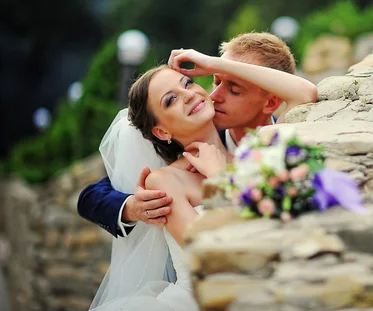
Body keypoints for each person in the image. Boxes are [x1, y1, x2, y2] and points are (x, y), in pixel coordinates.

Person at [90, 46, 317, 310]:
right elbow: (216, 258)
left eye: (188, 83)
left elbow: (306, 94)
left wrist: (213, 64)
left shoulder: (256, 151)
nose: (188, 94)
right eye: (170, 100)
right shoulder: (164, 181)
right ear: (162, 132)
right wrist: (221, 177)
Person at [78, 33, 310, 237]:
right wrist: (132, 207)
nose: (215, 95)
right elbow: (90, 196)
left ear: (270, 102)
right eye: (215, 79)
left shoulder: (278, 138)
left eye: (234, 88)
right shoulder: (181, 144)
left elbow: (307, 92)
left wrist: (214, 64)